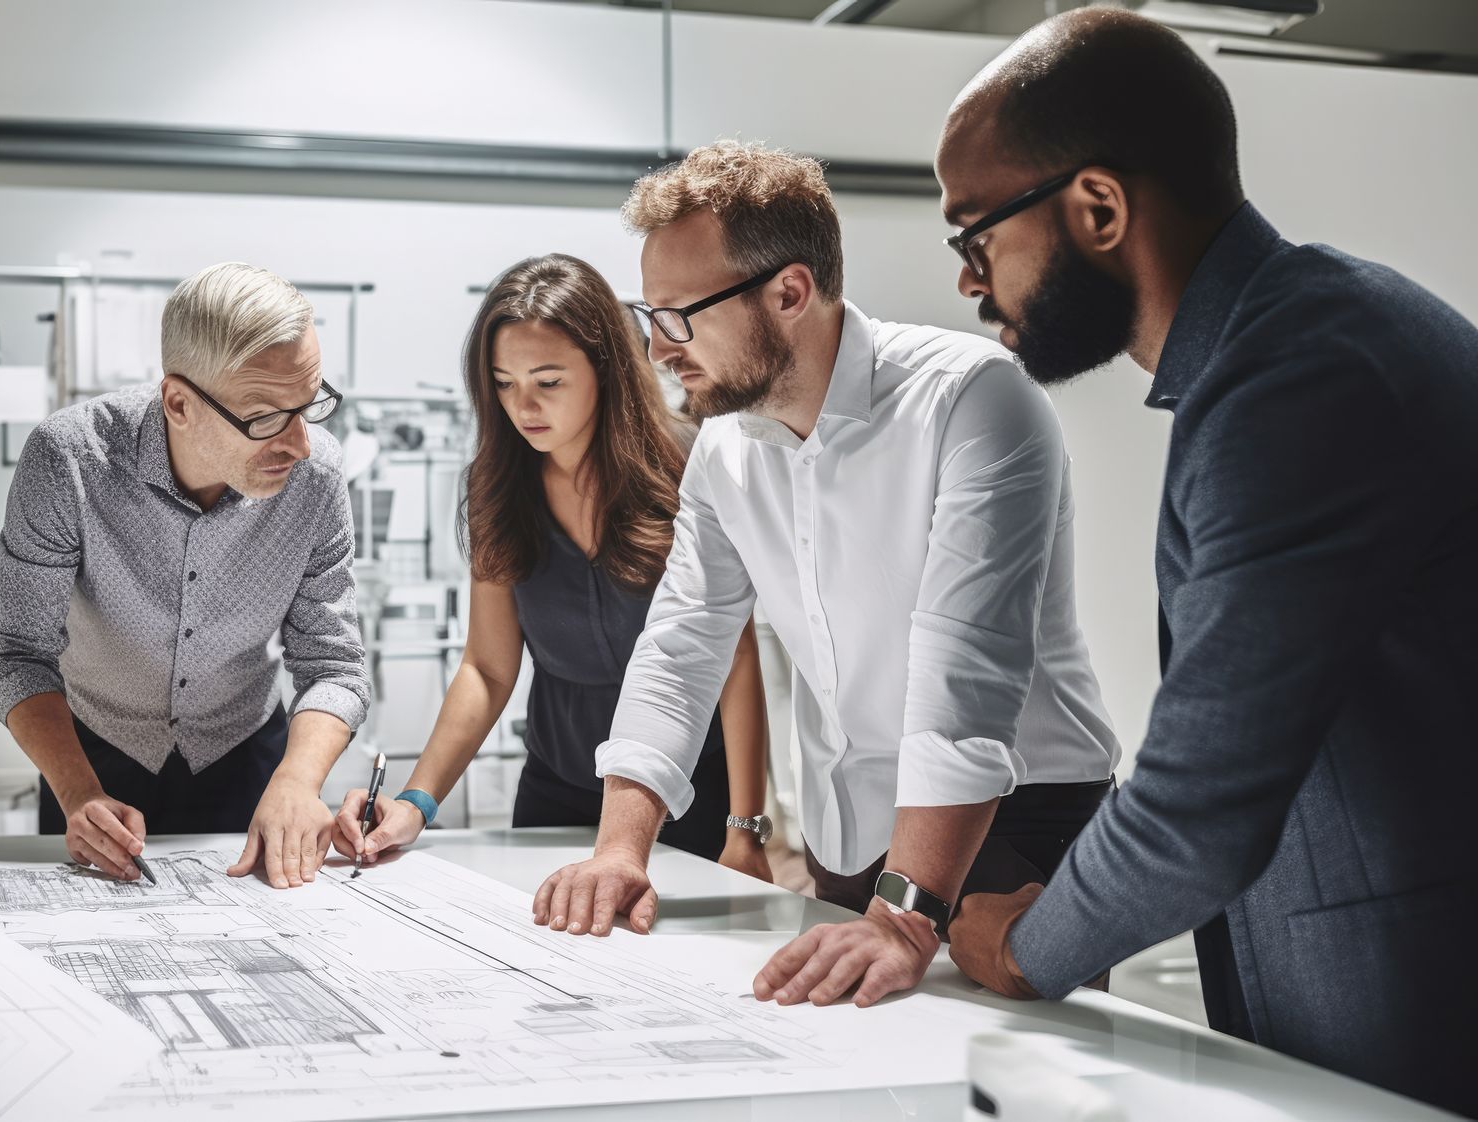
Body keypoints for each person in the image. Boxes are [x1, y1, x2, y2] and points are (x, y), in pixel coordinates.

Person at [932, 12, 1478, 1116]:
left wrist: (1028, 944)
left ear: (1097, 208)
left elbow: (1200, 807)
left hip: (1419, 1031)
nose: (967, 282)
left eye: (974, 237)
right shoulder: (1300, 340)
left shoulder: (1297, 381)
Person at [533, 141, 1121, 1010]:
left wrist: (907, 917)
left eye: (680, 316)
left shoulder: (974, 398)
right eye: (648, 315)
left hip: (1009, 819)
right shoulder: (725, 449)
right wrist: (622, 847)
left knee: (1010, 1088)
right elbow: (680, 646)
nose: (659, 350)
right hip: (848, 834)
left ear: (790, 292)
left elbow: (965, 675)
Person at [331, 254, 772, 878]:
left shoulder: (687, 463)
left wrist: (747, 830)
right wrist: (415, 802)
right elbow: (486, 668)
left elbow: (735, 656)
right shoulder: (497, 487)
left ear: (606, 369)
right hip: (556, 784)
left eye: (548, 381)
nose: (524, 405)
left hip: (687, 789)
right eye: (504, 382)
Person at [0, 262, 369, 891]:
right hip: (90, 759)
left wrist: (299, 780)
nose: (299, 443)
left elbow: (334, 664)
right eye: (266, 416)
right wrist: (78, 791)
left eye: (309, 405)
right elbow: (15, 655)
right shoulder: (69, 460)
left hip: (249, 757)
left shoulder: (317, 479)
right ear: (179, 403)